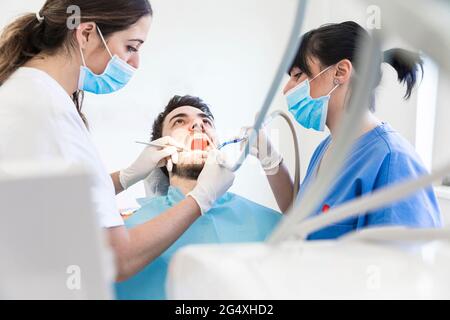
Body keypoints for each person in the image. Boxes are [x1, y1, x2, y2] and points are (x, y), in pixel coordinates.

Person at [0, 0, 234, 281]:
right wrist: (201, 198)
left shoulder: (32, 94)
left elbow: (59, 201)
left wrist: (124, 177)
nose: (135, 63)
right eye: (131, 47)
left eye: (204, 121)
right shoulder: (46, 111)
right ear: (85, 34)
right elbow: (115, 259)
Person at [248, 21, 442, 240]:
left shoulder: (392, 160)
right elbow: (302, 217)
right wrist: (268, 156)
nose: (287, 88)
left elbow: (401, 266)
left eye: (298, 75)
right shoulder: (327, 149)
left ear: (340, 72)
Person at [115, 95, 282, 299]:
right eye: (179, 121)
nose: (197, 125)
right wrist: (125, 176)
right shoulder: (127, 231)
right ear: (162, 152)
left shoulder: (275, 225)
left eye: (206, 121)